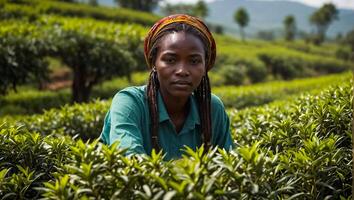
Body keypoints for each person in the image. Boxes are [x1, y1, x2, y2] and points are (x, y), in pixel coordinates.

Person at [100, 14, 234, 160]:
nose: (182, 71)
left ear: (205, 66)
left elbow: (229, 165)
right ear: (154, 63)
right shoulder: (129, 103)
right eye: (170, 60)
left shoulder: (212, 109)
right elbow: (130, 160)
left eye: (194, 61)